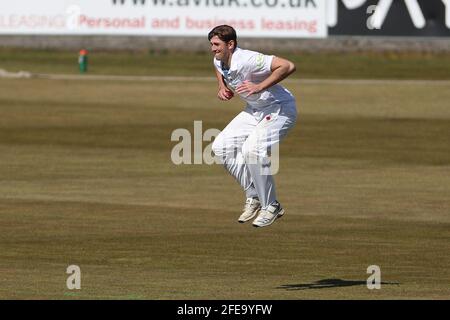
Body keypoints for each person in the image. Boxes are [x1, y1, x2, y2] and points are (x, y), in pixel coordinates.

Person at [209, 25, 298, 228]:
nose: (213, 49)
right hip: (255, 110)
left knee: (252, 150)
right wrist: (222, 86)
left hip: (279, 109)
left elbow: (288, 66)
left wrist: (259, 86)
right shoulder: (219, 58)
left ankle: (272, 205)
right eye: (211, 45)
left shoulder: (248, 59)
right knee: (220, 147)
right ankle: (254, 195)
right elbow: (218, 66)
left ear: (230, 44)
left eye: (217, 45)